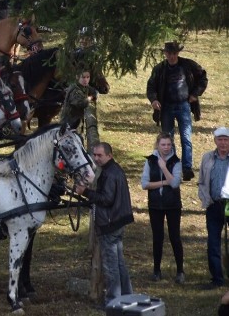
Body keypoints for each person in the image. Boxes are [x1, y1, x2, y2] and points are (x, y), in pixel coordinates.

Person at [75, 142, 134, 307]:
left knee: (111, 265)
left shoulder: (109, 174)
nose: (96, 158)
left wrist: (85, 192)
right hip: (118, 221)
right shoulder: (115, 170)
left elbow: (106, 199)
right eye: (94, 155)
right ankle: (127, 296)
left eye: (100, 155)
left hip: (110, 223)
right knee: (120, 263)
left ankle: (113, 302)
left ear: (110, 155)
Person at [147, 41, 208, 181]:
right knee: (168, 140)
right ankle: (173, 167)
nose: (172, 56)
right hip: (166, 107)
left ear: (178, 53)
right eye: (169, 53)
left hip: (184, 105)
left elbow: (203, 77)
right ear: (165, 54)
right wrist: (154, 100)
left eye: (174, 53)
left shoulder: (188, 65)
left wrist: (195, 94)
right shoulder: (159, 69)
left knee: (186, 138)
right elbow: (151, 87)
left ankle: (187, 169)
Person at [140, 133, 184, 284]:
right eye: (163, 144)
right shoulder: (150, 161)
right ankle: (156, 270)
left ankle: (180, 270)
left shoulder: (176, 161)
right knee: (157, 237)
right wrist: (164, 182)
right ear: (157, 145)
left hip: (173, 205)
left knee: (175, 237)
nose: (166, 147)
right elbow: (145, 184)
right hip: (155, 205)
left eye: (168, 145)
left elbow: (175, 183)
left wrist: (164, 168)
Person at [198, 127, 229, 289]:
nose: (223, 143)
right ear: (215, 141)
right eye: (220, 140)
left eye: (226, 140)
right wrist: (206, 199)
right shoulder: (207, 158)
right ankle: (217, 278)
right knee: (213, 242)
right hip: (214, 205)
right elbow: (202, 181)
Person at [60, 69, 101, 149]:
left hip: (76, 122)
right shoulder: (75, 90)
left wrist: (93, 94)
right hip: (69, 123)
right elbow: (81, 103)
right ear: (77, 77)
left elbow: (93, 91)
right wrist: (90, 98)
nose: (85, 80)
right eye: (83, 77)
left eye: (87, 77)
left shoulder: (83, 87)